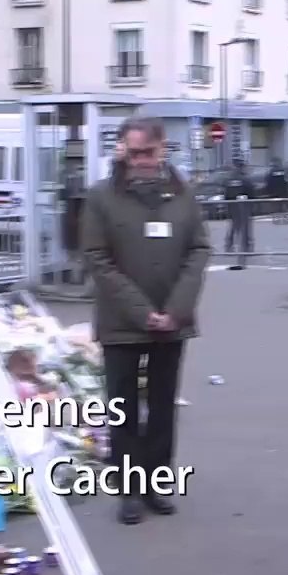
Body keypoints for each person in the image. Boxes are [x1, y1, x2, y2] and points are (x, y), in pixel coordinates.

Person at [81, 115, 210, 525]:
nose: (139, 161)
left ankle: (156, 483)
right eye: (132, 152)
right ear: (122, 150)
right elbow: (98, 259)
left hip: (172, 323)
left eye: (147, 153)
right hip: (121, 324)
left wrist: (175, 309)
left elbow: (200, 250)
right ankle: (128, 491)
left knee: (161, 407)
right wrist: (142, 312)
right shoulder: (102, 197)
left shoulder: (184, 195)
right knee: (123, 408)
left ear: (162, 149)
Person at [222, 159, 256, 269]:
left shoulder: (229, 179)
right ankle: (246, 247)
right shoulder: (245, 178)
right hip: (244, 206)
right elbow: (251, 192)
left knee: (233, 227)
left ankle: (229, 245)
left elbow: (226, 193)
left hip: (232, 206)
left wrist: (227, 204)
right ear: (242, 167)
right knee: (245, 228)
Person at [264, 158, 288, 224]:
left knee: (275, 207)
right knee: (284, 206)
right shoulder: (283, 171)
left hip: (274, 193)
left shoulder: (270, 172)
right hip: (284, 192)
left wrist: (268, 192)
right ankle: (286, 219)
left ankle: (276, 220)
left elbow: (267, 182)